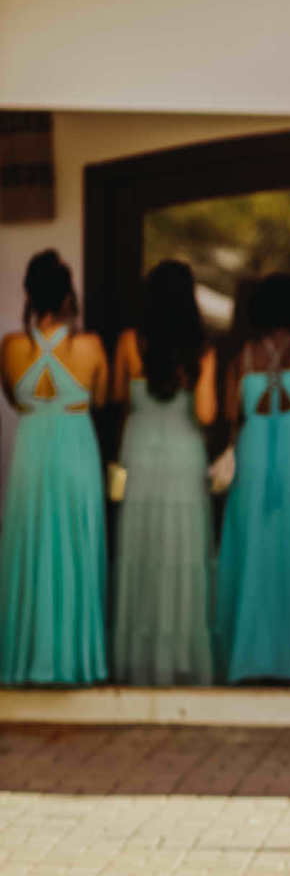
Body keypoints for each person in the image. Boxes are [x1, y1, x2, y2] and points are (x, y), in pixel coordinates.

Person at [216, 273, 290, 684]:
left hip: (252, 461)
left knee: (251, 555)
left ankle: (248, 658)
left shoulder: (242, 358)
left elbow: (230, 413)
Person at [0, 250, 108, 685]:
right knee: (75, 547)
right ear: (68, 297)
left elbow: (14, 397)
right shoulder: (89, 346)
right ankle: (72, 660)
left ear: (29, 294)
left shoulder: (11, 347)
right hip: (76, 449)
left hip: (31, 450)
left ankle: (28, 657)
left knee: (30, 545)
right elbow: (102, 397)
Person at [111, 260, 218, 686]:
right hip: (182, 456)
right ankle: (180, 659)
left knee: (140, 552)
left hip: (138, 452)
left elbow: (118, 400)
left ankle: (138, 659)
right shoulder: (202, 352)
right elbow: (206, 414)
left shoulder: (128, 343)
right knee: (181, 554)